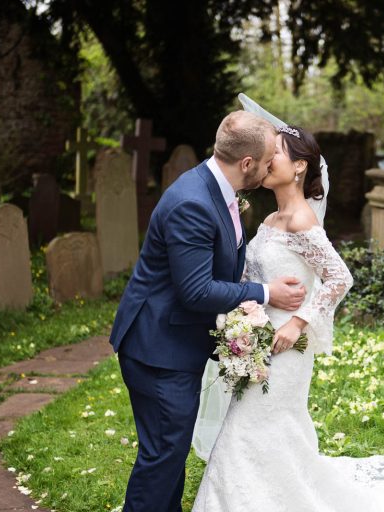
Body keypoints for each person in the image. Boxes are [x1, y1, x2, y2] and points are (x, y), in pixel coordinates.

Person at [191, 98, 384, 511]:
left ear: (300, 166)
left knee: (253, 424)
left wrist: (298, 322)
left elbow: (341, 277)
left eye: (277, 156)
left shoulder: (303, 220)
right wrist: (242, 320)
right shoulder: (269, 222)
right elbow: (252, 278)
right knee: (253, 423)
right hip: (258, 337)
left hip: (289, 345)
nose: (268, 162)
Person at [109, 110, 308, 512]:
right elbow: (196, 291)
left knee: (170, 451)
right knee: (162, 454)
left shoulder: (217, 189)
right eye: (269, 159)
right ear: (247, 163)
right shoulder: (193, 203)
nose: (274, 165)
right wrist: (266, 292)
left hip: (174, 343)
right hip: (157, 348)